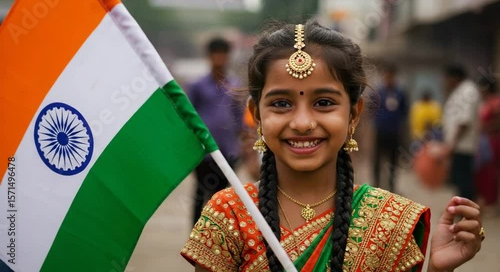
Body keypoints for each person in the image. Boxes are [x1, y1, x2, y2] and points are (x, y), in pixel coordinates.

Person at [181, 21, 484, 272]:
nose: (302, 122)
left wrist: (438, 270)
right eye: (281, 103)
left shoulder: (391, 222)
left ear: (353, 114)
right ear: (257, 114)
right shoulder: (228, 215)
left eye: (323, 103)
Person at [187, 37, 243, 226]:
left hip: (228, 150)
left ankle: (217, 237)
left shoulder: (235, 85)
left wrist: (244, 144)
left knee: (222, 197)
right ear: (209, 57)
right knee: (200, 194)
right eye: (215, 54)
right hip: (204, 152)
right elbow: (189, 116)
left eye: (223, 54)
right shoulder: (198, 86)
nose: (219, 58)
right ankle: (196, 235)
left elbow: (239, 116)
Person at [442, 64, 481, 201]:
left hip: (463, 145)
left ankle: (467, 211)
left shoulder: (468, 91)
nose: (445, 82)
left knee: (464, 180)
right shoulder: (460, 91)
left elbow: (464, 121)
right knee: (459, 180)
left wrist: (453, 144)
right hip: (458, 145)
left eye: (447, 79)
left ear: (454, 77)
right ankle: (461, 208)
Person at [372, 63, 408, 193]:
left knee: (393, 160)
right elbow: (371, 110)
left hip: (394, 132)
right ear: (383, 76)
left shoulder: (400, 93)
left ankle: (392, 186)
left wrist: (402, 131)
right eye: (386, 75)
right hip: (380, 131)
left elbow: (404, 113)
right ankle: (376, 185)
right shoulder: (378, 93)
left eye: (391, 75)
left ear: (394, 76)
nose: (389, 77)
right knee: (377, 159)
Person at [475, 75, 500, 215]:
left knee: (491, 171)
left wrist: (487, 128)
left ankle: (492, 203)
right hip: (484, 140)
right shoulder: (485, 102)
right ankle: (484, 200)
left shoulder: (496, 102)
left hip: (493, 140)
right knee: (483, 171)